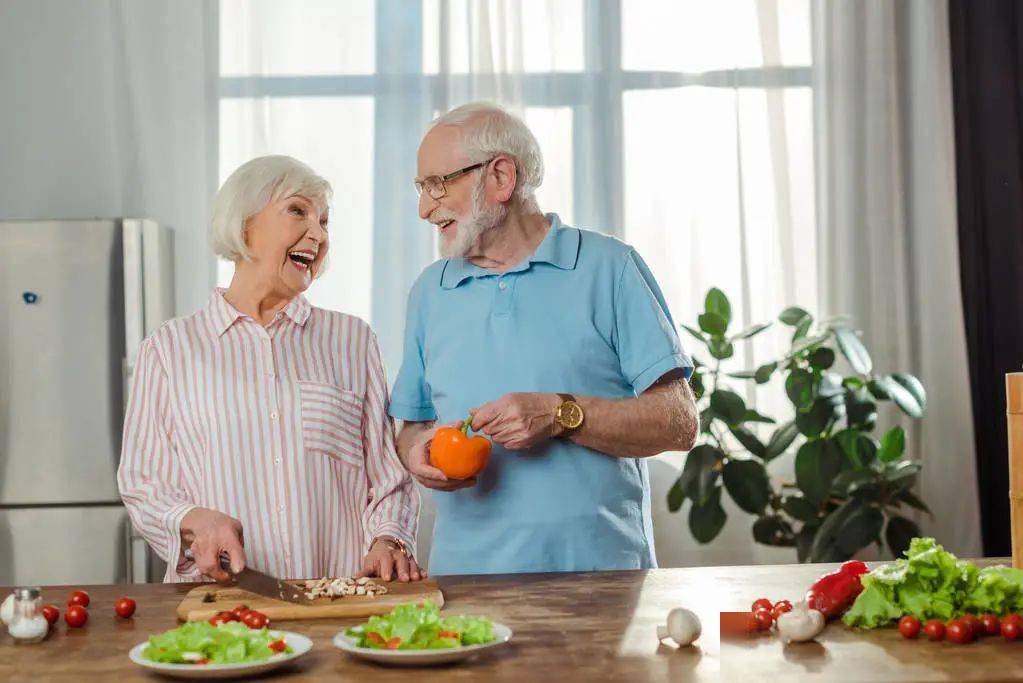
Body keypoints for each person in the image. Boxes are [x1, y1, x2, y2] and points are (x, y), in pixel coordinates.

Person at [390, 103, 699, 575]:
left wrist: (561, 414)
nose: (424, 207)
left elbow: (679, 422)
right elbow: (411, 427)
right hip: (464, 588)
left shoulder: (611, 269)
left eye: (438, 184)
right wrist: (417, 454)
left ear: (500, 177)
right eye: (421, 188)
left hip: (603, 585)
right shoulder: (429, 293)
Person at [118, 155, 422, 583]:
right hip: (222, 609)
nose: (318, 234)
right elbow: (143, 483)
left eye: (325, 222)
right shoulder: (169, 350)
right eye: (298, 211)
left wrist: (389, 538)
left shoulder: (353, 341)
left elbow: (389, 480)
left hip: (337, 603)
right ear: (244, 224)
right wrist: (192, 520)